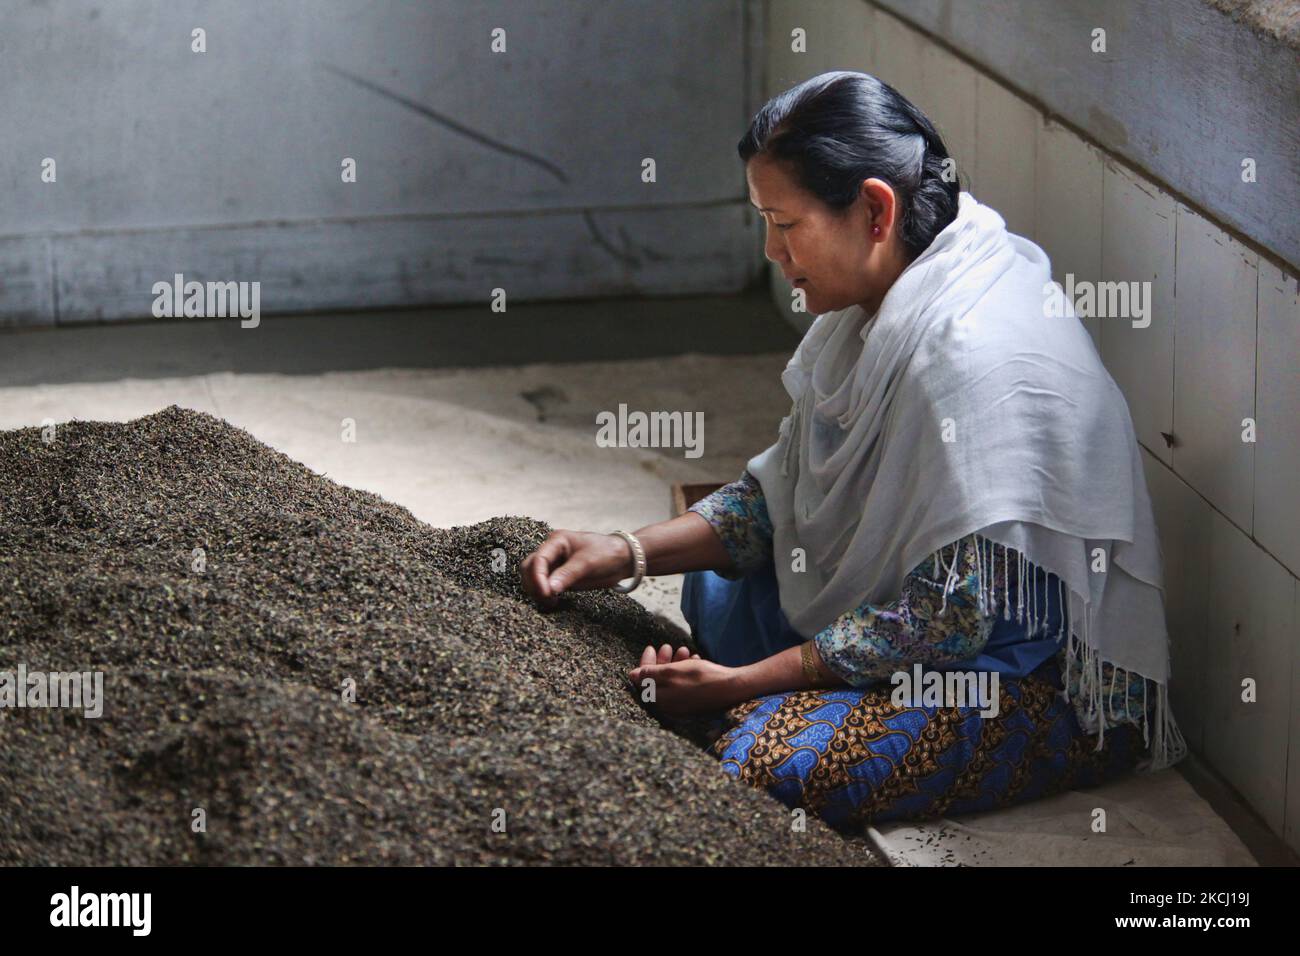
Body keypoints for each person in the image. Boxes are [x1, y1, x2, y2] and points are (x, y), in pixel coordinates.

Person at [519, 71, 1186, 820]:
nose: (773, 250)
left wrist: (742, 685)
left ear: (874, 208)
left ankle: (742, 696)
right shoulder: (883, 305)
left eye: (785, 222)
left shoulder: (970, 354)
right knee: (719, 585)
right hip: (929, 633)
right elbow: (783, 493)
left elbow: (946, 623)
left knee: (760, 757)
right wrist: (622, 552)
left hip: (1024, 679)